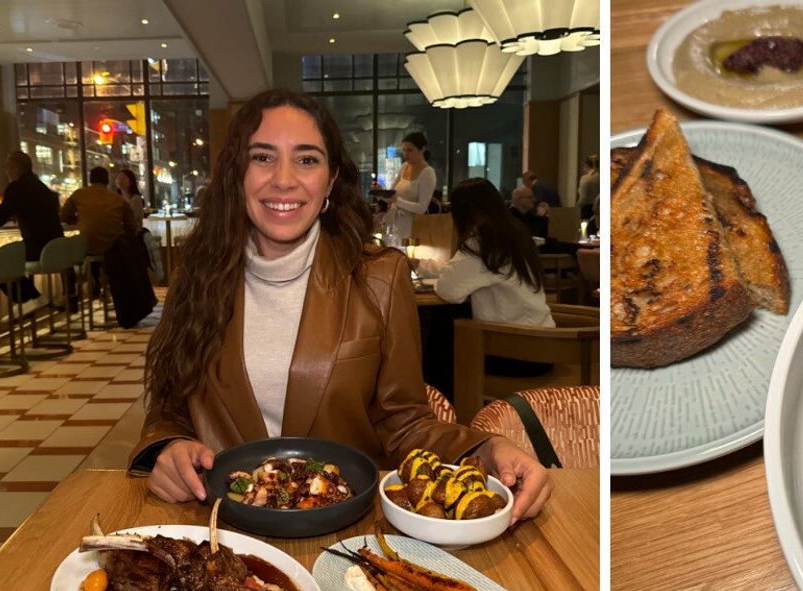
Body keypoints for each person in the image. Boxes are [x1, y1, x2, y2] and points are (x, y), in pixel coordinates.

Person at [132, 89, 550, 522]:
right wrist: (166, 446)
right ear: (236, 172)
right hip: (220, 526)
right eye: (262, 157)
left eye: (307, 159)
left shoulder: (380, 278)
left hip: (343, 531)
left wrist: (485, 447)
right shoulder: (193, 276)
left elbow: (404, 422)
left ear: (331, 180)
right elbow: (169, 406)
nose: (284, 179)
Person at [414, 178, 556, 377]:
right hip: (544, 345)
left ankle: (441, 400)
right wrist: (421, 265)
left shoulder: (482, 241)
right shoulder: (515, 234)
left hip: (516, 352)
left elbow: (448, 290)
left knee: (442, 324)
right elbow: (463, 271)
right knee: (451, 319)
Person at [60, 167, 155, 328]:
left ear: (90, 180)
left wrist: (80, 220)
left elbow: (63, 215)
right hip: (114, 250)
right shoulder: (117, 200)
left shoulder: (78, 195)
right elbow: (131, 227)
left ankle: (78, 293)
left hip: (87, 248)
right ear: (108, 181)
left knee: (69, 261)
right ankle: (104, 288)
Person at [0, 150, 63, 303]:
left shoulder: (16, 187)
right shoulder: (41, 187)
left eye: (7, 167)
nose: (6, 171)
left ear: (15, 168)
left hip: (38, 249)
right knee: (7, 259)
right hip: (55, 248)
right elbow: (26, 210)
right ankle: (35, 299)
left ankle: (29, 301)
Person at [383, 132, 436, 248]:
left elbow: (422, 207)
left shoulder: (427, 173)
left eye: (410, 150)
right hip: (393, 222)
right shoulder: (404, 166)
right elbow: (392, 193)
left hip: (411, 225)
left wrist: (398, 201)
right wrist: (382, 195)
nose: (406, 154)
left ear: (422, 149)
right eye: (404, 150)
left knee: (403, 256)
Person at [116, 167, 163, 285]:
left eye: (124, 178)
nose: (120, 180)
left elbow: (133, 222)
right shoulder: (117, 199)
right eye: (119, 178)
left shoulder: (135, 199)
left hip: (134, 237)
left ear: (130, 181)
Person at [577, 155, 599, 221]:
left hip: (587, 210)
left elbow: (583, 199)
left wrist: (576, 208)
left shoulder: (585, 178)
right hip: (599, 209)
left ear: (586, 166)